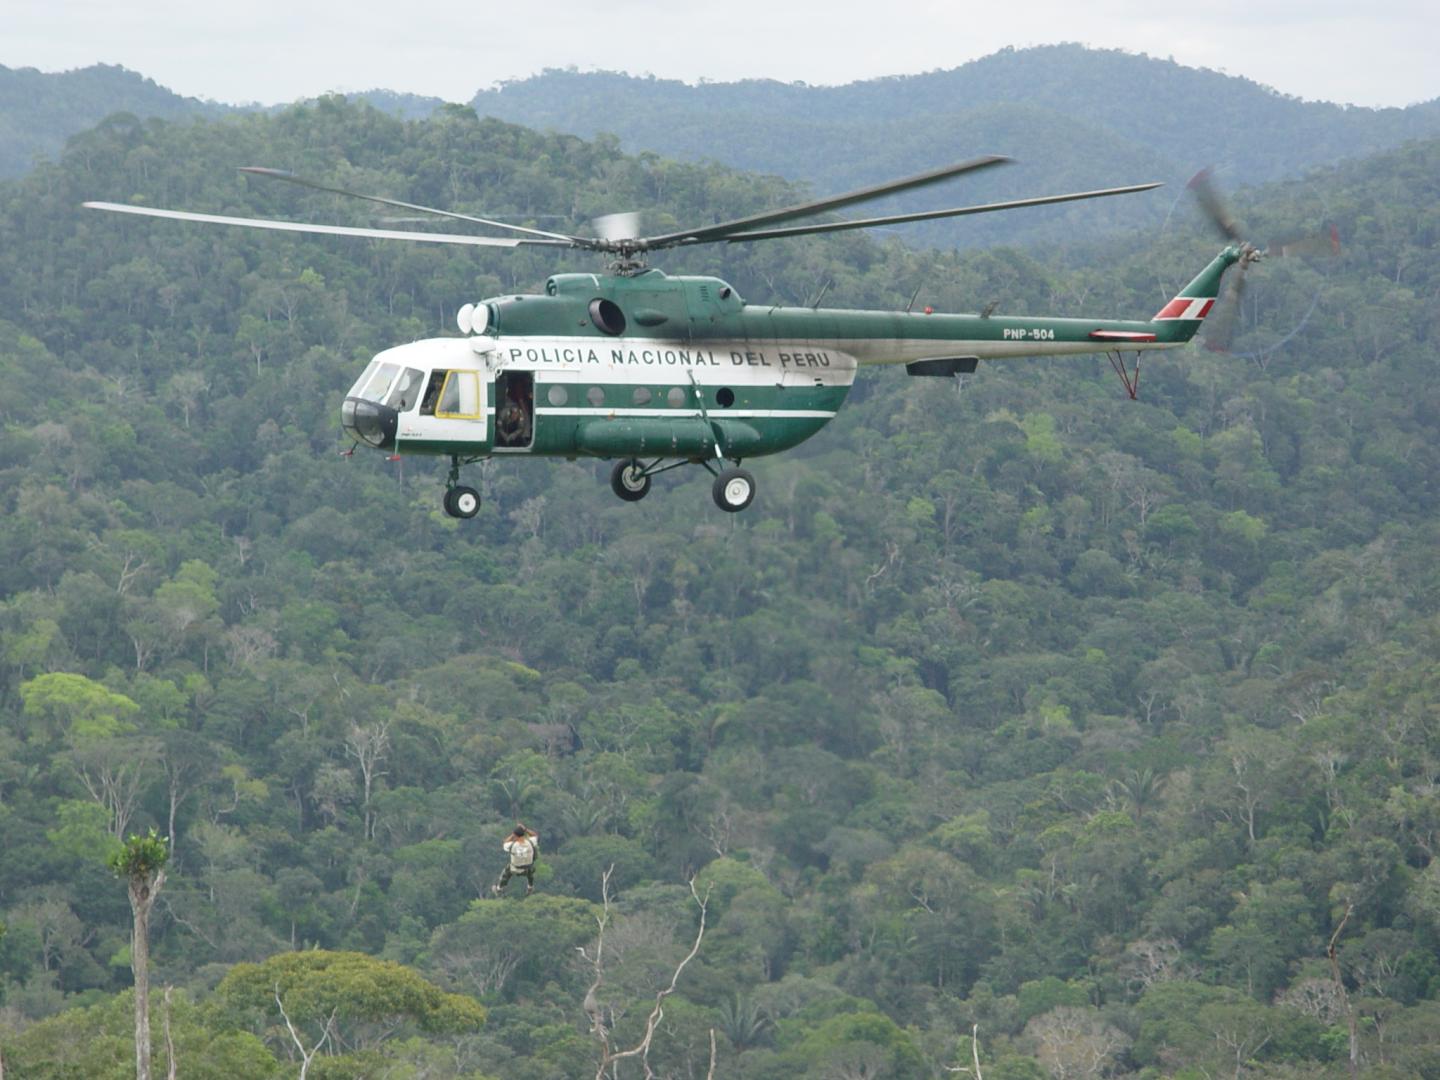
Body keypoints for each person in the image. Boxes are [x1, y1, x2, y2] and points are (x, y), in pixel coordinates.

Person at [493, 824, 539, 896]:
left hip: (515, 869)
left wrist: (512, 835)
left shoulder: (512, 845)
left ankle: (499, 888)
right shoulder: (531, 842)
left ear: (515, 835)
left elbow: (505, 842)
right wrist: (525, 829)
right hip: (528, 868)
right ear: (524, 834)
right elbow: (535, 835)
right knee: (530, 872)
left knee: (506, 873)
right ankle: (530, 886)